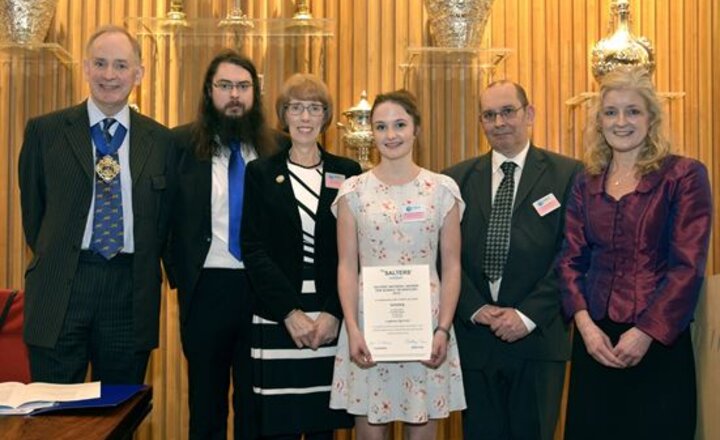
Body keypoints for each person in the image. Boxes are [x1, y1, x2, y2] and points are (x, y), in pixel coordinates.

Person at [557, 66, 712, 440]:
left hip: (658, 342)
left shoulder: (684, 175)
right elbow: (569, 260)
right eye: (610, 112)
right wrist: (587, 330)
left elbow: (687, 266)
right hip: (595, 344)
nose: (621, 122)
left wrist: (645, 333)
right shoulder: (585, 182)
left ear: (651, 119)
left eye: (633, 111)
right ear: (599, 122)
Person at [17, 25, 175, 384]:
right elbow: (34, 214)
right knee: (53, 416)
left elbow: (166, 222)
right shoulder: (45, 132)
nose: (109, 75)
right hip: (61, 287)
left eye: (121, 65)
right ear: (85, 67)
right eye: (100, 63)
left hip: (129, 291)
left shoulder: (162, 141)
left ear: (139, 73)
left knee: (118, 415)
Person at [444, 80, 582, 440]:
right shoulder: (454, 180)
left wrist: (527, 315)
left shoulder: (568, 174)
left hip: (539, 337)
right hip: (476, 338)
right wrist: (474, 308)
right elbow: (444, 256)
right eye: (489, 115)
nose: (499, 122)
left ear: (529, 114)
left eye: (508, 111)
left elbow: (572, 253)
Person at [330, 90, 466, 440]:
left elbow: (452, 267)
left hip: (427, 332)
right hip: (368, 332)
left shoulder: (441, 190)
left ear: (416, 129)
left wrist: (443, 330)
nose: (391, 135)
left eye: (400, 125)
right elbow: (347, 266)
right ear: (372, 133)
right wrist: (352, 328)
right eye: (381, 126)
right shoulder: (353, 191)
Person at [164, 50, 280, 439]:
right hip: (205, 289)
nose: (234, 95)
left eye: (243, 87)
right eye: (225, 86)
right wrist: (179, 273)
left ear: (255, 93)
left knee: (256, 404)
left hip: (260, 291)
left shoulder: (276, 149)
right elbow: (162, 214)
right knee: (205, 404)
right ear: (209, 92)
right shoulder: (178, 145)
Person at [241, 73, 361, 439]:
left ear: (326, 117)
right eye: (296, 108)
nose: (305, 117)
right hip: (278, 314)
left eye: (314, 108)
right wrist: (289, 312)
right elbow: (253, 248)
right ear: (284, 115)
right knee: (279, 425)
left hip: (330, 312)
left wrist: (333, 313)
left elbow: (355, 252)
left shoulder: (349, 172)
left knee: (323, 424)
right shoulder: (261, 172)